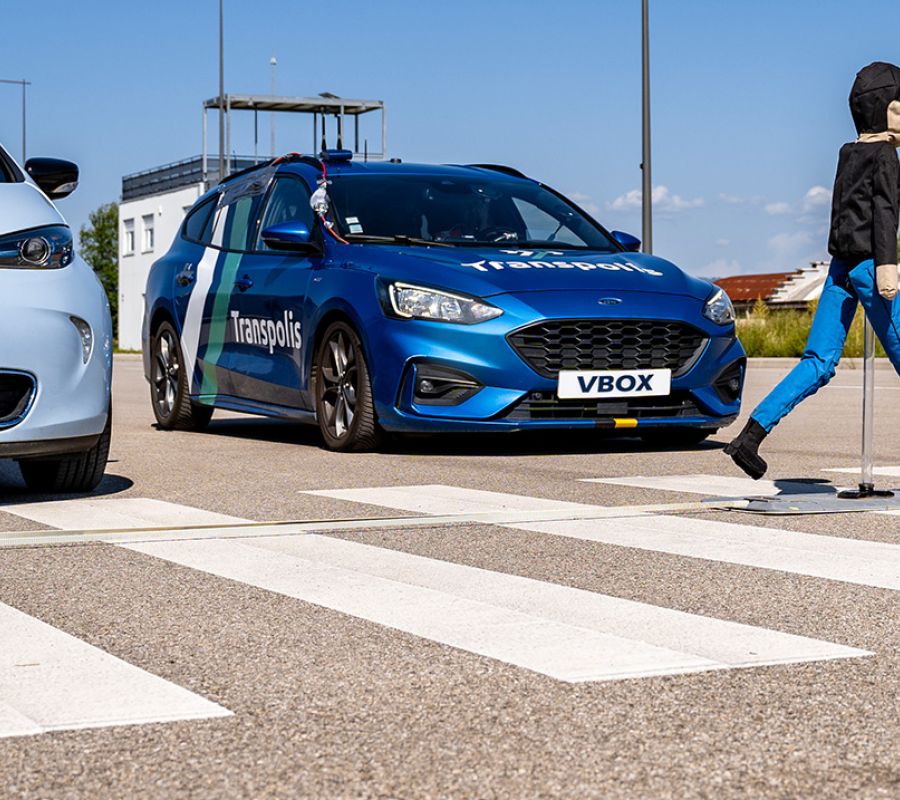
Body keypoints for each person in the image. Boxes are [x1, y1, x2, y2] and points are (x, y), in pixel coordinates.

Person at [726, 61, 900, 479]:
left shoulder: (848, 153)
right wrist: (887, 266)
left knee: (819, 361)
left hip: (840, 267)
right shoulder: (886, 155)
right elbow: (884, 212)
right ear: (884, 109)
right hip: (871, 267)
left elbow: (842, 212)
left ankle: (750, 436)